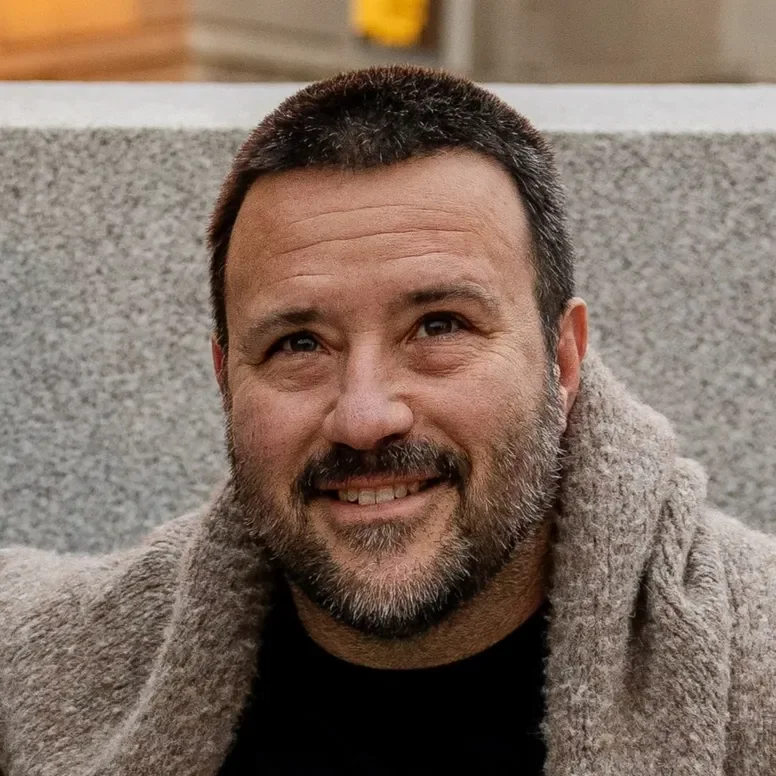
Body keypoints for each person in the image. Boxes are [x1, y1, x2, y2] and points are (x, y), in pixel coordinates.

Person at [0, 65, 774, 776]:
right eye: (299, 343)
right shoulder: (50, 672)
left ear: (564, 360)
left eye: (439, 326)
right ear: (226, 379)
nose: (365, 416)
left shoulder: (755, 664)